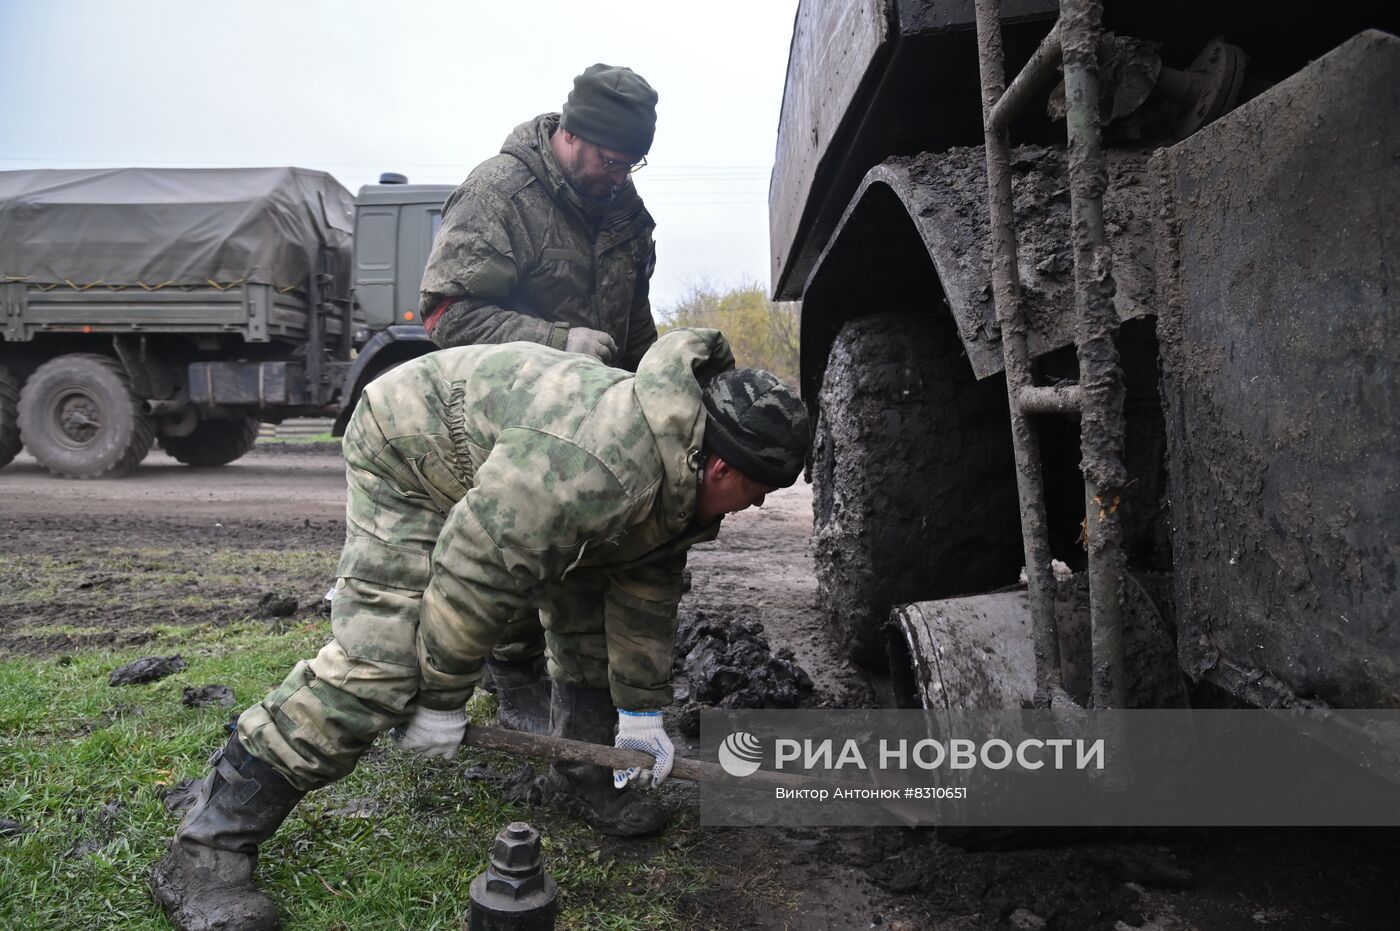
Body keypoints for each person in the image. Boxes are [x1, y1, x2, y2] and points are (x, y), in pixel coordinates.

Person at [150, 328, 810, 931]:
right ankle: (207, 847)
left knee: (588, 632)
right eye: (756, 492)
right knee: (381, 666)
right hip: (409, 448)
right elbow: (474, 573)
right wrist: (440, 697)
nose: (753, 507)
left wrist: (641, 711)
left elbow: (645, 592)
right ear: (721, 468)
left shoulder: (676, 476)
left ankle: (584, 771)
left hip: (510, 471)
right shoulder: (598, 466)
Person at [418, 63, 661, 732]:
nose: (619, 177)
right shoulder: (499, 193)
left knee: (583, 553)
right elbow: (446, 315)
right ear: (574, 135)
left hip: (588, 421)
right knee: (514, 550)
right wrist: (558, 340)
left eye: (632, 165)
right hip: (499, 415)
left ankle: (579, 688)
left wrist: (654, 387)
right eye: (612, 161)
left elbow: (635, 324)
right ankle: (511, 668)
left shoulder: (625, 213)